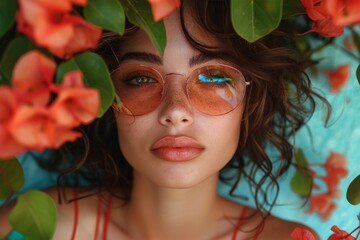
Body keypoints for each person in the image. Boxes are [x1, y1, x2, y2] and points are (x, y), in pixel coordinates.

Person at [0, 0, 326, 239]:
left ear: (250, 100)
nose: (175, 112)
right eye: (141, 79)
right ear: (104, 98)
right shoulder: (32, 228)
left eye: (212, 78)